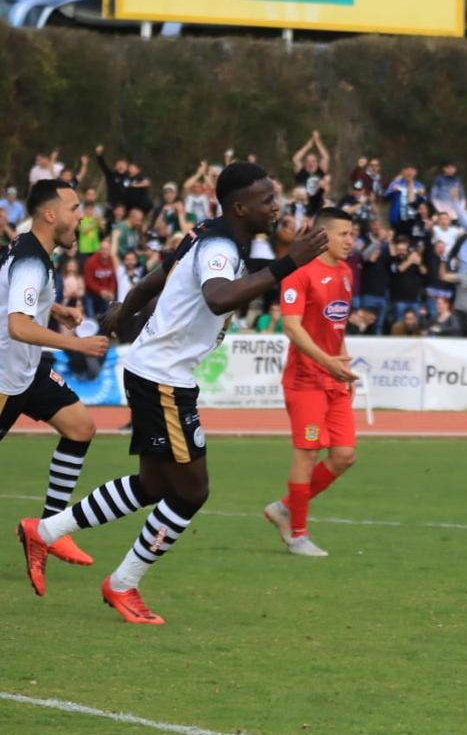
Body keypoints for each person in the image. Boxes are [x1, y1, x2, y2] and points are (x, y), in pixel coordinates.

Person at [20, 162, 328, 624]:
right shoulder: (220, 245)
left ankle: (45, 530)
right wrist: (289, 263)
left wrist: (124, 311)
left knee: (155, 485)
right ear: (240, 207)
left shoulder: (210, 231)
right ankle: (122, 584)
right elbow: (219, 298)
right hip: (163, 379)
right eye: (267, 200)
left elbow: (160, 274)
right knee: (192, 491)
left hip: (156, 372)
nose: (276, 206)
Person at [3, 181, 110, 572]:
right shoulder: (32, 259)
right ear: (50, 215)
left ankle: (49, 530)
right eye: (74, 208)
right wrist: (77, 345)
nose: (81, 216)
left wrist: (56, 309)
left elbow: (13, 297)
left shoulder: (28, 246)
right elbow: (17, 325)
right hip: (5, 376)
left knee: (80, 427)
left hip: (27, 370)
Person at [260, 208, 360, 558]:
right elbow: (291, 327)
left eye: (352, 234)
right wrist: (328, 362)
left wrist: (342, 366)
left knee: (345, 455)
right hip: (305, 380)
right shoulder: (299, 272)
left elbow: (337, 326)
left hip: (333, 377)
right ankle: (297, 534)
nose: (350, 241)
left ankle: (285, 508)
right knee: (308, 452)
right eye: (344, 234)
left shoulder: (346, 273)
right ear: (323, 235)